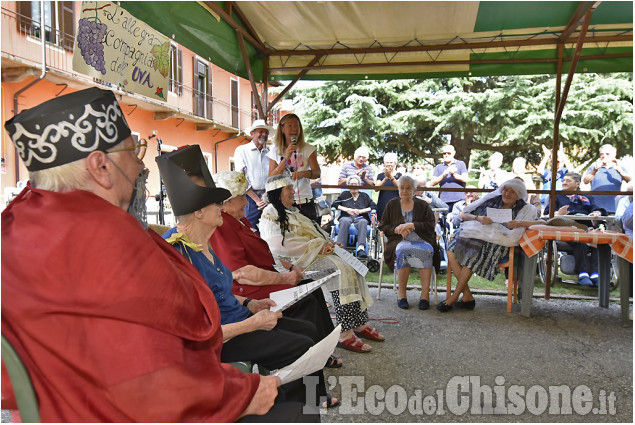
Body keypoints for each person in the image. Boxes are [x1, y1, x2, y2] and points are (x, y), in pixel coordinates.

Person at [1, 87, 308, 422]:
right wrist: (244, 392)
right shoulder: (107, 238)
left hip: (60, 409)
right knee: (296, 414)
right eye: (134, 152)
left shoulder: (17, 224)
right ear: (101, 166)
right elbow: (154, 377)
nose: (138, 168)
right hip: (111, 411)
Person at [157, 145, 336, 410]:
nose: (223, 206)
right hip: (223, 341)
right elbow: (194, 332)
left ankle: (296, 399)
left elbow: (220, 291)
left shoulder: (201, 241)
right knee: (301, 345)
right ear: (197, 212)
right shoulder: (177, 252)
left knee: (308, 330)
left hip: (240, 319)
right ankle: (297, 406)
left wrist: (248, 305)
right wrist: (253, 323)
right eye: (216, 202)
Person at [209, 168, 343, 369]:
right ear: (226, 202)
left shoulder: (239, 220)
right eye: (241, 198)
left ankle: (321, 351)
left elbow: (266, 256)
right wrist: (285, 278)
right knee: (307, 300)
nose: (247, 202)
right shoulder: (222, 226)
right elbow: (241, 273)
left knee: (312, 289)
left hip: (262, 280)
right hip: (249, 289)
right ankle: (309, 355)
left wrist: (287, 267)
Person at [260, 172, 385, 353]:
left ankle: (358, 323)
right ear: (277, 192)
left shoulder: (293, 211)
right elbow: (277, 247)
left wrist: (331, 244)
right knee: (341, 269)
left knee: (353, 265)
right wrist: (318, 246)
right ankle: (345, 333)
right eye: (288, 188)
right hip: (293, 262)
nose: (292, 191)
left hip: (311, 254)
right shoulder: (270, 213)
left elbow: (315, 234)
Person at [438, 179, 539, 312]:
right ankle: (467, 296)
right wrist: (478, 218)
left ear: (519, 195)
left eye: (512, 192)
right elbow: (463, 214)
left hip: (499, 242)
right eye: (506, 189)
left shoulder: (525, 209)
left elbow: (538, 223)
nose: (507, 193)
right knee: (450, 251)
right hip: (475, 234)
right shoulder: (492, 199)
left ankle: (454, 297)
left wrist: (518, 224)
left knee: (472, 255)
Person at [379, 175, 439, 310]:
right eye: (402, 188)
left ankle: (425, 296)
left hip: (422, 239)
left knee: (427, 250)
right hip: (398, 241)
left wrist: (411, 225)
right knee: (402, 250)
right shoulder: (392, 204)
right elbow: (383, 226)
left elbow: (430, 225)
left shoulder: (422, 205)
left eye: (408, 188)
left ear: (414, 190)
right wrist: (397, 229)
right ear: (398, 189)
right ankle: (401, 295)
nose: (405, 191)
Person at [544, 172, 606, 286]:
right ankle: (583, 273)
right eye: (563, 180)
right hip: (566, 228)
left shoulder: (587, 197)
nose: (564, 182)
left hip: (586, 228)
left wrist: (596, 212)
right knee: (580, 240)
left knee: (599, 240)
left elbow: (598, 209)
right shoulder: (557, 196)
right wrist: (558, 213)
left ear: (577, 183)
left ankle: (595, 274)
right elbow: (547, 214)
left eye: (568, 180)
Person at [268, 113, 321, 223]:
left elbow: (317, 173)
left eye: (297, 126)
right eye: (290, 126)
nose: (294, 129)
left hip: (304, 202)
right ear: (282, 129)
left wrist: (304, 174)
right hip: (283, 202)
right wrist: (286, 158)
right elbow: (271, 178)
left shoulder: (308, 149)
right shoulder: (275, 150)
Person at [233, 119, 275, 233]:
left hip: (267, 198)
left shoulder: (270, 153)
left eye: (266, 132)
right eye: (260, 131)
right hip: (249, 199)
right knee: (250, 230)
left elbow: (274, 176)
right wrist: (257, 200)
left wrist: (266, 198)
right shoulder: (242, 150)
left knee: (269, 231)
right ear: (252, 134)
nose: (264, 134)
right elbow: (241, 177)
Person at [332, 175, 377, 258]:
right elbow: (335, 204)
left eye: (356, 184)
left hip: (360, 218)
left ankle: (361, 248)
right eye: (351, 184)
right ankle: (340, 248)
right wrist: (347, 210)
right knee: (344, 221)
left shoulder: (364, 196)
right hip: (347, 217)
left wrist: (360, 211)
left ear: (359, 185)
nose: (354, 186)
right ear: (348, 185)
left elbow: (373, 206)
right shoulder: (344, 195)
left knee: (363, 222)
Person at [583, 144, 632, 214]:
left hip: (614, 207)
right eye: (602, 154)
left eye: (607, 154)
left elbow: (630, 181)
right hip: (596, 208)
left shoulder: (619, 167)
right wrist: (595, 170)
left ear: (614, 155)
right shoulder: (593, 168)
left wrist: (620, 171)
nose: (604, 156)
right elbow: (585, 181)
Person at [430, 144, 469, 213]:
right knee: (444, 222)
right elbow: (432, 183)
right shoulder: (439, 167)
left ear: (454, 153)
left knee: (458, 221)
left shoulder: (460, 164)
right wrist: (443, 175)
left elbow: (466, 179)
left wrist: (454, 175)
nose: (446, 155)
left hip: (459, 200)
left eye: (449, 153)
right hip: (444, 201)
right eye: (444, 153)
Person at [537, 144, 573, 209]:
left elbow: (572, 171)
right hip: (544, 202)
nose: (556, 163)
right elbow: (539, 171)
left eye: (558, 162)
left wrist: (563, 156)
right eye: (554, 161)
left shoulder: (564, 172)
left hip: (560, 201)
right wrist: (546, 156)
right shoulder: (547, 172)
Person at [375, 152, 401, 220]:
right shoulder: (380, 175)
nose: (389, 164)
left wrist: (391, 177)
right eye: (387, 162)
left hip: (396, 203)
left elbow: (400, 186)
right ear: (384, 163)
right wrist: (386, 178)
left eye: (391, 162)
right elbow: (376, 188)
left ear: (395, 163)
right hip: (383, 202)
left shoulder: (399, 175)